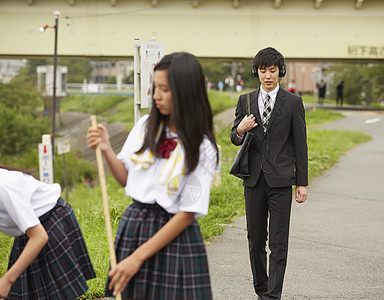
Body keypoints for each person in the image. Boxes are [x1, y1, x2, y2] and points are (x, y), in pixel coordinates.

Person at [86, 52, 218, 299]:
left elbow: (187, 213)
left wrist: (136, 258)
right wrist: (105, 149)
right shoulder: (146, 126)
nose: (156, 95)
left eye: (165, 89)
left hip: (174, 235)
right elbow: (127, 179)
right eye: (155, 87)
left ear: (186, 92)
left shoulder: (202, 148)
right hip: (135, 226)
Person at [230, 47, 308, 300]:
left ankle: (272, 296)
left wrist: (302, 183)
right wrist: (240, 129)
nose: (268, 76)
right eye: (263, 71)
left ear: (280, 72)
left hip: (282, 180)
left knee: (278, 243)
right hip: (253, 180)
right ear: (257, 72)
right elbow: (234, 137)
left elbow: (300, 144)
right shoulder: (245, 101)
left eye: (272, 71)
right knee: (255, 241)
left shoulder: (294, 103)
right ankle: (261, 290)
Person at [0, 165, 96, 299]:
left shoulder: (4, 187)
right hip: (29, 232)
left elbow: (39, 237)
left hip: (50, 222)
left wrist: (7, 280)